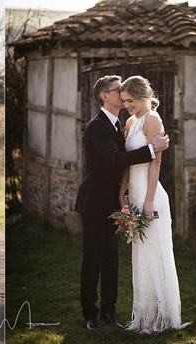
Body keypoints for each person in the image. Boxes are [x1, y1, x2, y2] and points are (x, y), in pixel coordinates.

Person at [74, 75, 170, 330]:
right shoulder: (96, 126)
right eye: (118, 90)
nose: (122, 94)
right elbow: (117, 160)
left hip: (115, 200)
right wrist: (152, 149)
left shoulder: (121, 124)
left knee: (111, 258)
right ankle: (89, 313)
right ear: (106, 95)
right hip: (94, 201)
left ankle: (109, 310)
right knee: (93, 257)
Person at [120, 76, 190, 333]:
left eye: (131, 101)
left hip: (151, 195)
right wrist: (122, 193)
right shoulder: (130, 121)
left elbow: (156, 163)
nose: (127, 105)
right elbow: (127, 161)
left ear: (142, 97)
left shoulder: (153, 120)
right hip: (134, 194)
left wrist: (148, 200)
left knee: (156, 253)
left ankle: (162, 316)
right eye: (125, 101)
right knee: (141, 257)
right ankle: (146, 314)